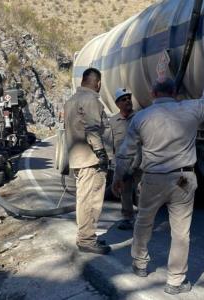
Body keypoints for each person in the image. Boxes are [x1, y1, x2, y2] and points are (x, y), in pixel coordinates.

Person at [112, 77, 204, 295]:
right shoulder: (193, 109)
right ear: (175, 93)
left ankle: (140, 263)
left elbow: (126, 153)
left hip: (153, 178)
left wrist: (118, 177)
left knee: (144, 221)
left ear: (153, 94)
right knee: (181, 232)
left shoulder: (141, 118)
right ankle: (175, 280)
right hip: (183, 179)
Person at [64, 67, 111, 255]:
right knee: (90, 201)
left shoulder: (71, 101)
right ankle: (86, 240)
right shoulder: (90, 100)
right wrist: (101, 153)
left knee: (84, 199)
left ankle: (86, 235)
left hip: (79, 158)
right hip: (91, 160)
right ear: (97, 83)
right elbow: (92, 129)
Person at [109, 88, 141, 230]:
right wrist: (112, 162)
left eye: (129, 98)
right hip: (123, 164)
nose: (127, 100)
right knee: (125, 192)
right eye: (123, 99)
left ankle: (142, 219)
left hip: (140, 162)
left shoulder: (140, 118)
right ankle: (127, 218)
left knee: (142, 191)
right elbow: (110, 143)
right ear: (117, 104)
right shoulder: (113, 122)